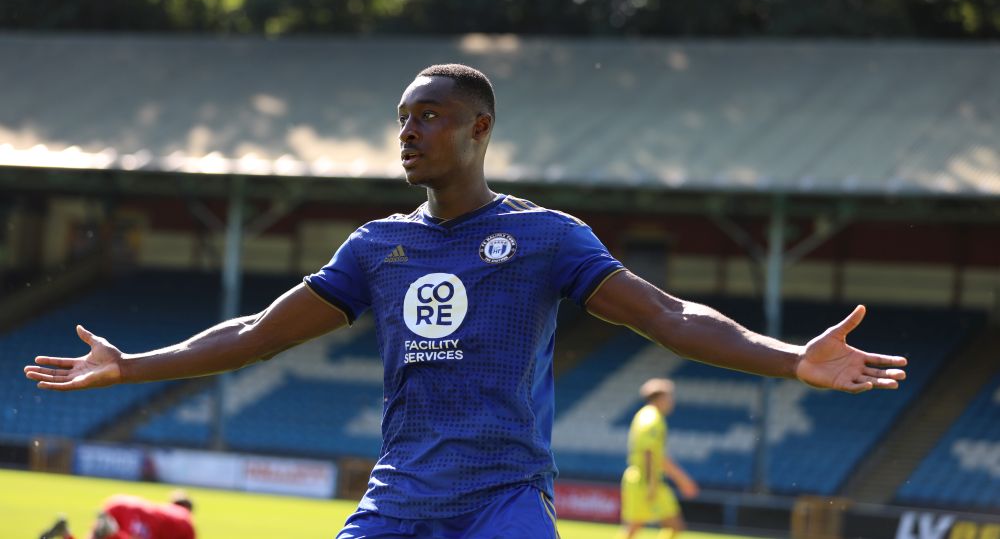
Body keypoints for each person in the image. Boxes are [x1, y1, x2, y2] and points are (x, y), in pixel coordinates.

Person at [25, 64, 908, 538]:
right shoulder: (376, 246)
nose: (410, 133)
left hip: (504, 502)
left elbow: (669, 316)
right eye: (404, 119)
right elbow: (257, 333)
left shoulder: (548, 237)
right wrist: (133, 362)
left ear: (480, 128)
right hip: (397, 501)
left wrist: (791, 357)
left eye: (431, 117)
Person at [619, 379, 697, 539]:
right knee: (636, 527)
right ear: (660, 398)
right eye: (669, 396)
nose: (672, 401)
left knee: (673, 525)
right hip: (644, 481)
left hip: (648, 480)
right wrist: (652, 484)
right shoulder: (651, 419)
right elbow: (650, 453)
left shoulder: (646, 416)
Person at [39, 491, 195, 539]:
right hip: (138, 514)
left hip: (117, 502)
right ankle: (112, 532)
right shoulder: (185, 518)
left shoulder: (164, 508)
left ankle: (65, 533)